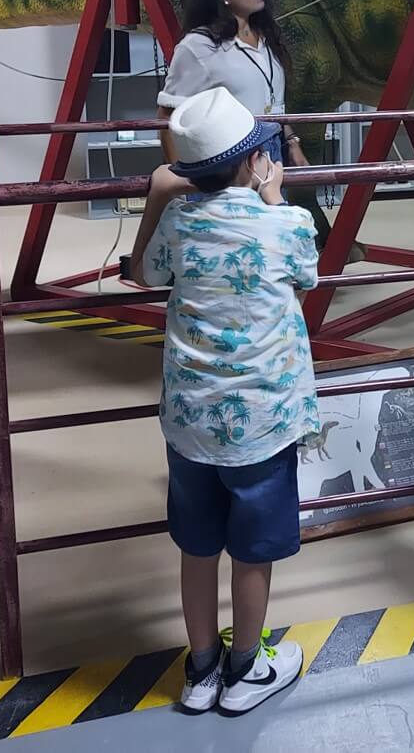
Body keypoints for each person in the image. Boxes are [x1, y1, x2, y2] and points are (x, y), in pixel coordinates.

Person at [127, 86, 321, 716]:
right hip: (263, 424)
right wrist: (275, 199)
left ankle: (202, 669)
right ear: (254, 162)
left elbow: (143, 273)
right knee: (252, 554)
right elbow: (307, 274)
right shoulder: (287, 223)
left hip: (190, 426)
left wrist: (158, 198)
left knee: (197, 547)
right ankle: (246, 671)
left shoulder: (179, 223)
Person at [156, 0, 307, 169]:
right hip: (226, 165)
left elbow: (271, 103)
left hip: (271, 158)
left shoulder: (265, 36)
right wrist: (179, 178)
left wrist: (292, 142)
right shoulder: (198, 46)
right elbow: (168, 117)